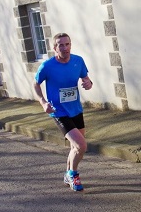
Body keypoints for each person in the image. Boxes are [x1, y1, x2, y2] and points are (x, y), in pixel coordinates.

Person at [32, 33, 93, 191]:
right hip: (58, 111)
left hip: (76, 109)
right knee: (81, 145)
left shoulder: (78, 61)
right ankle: (73, 174)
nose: (65, 48)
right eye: (61, 45)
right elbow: (36, 84)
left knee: (75, 147)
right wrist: (43, 102)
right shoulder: (47, 66)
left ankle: (68, 174)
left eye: (67, 44)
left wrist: (88, 82)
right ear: (55, 48)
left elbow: (85, 78)